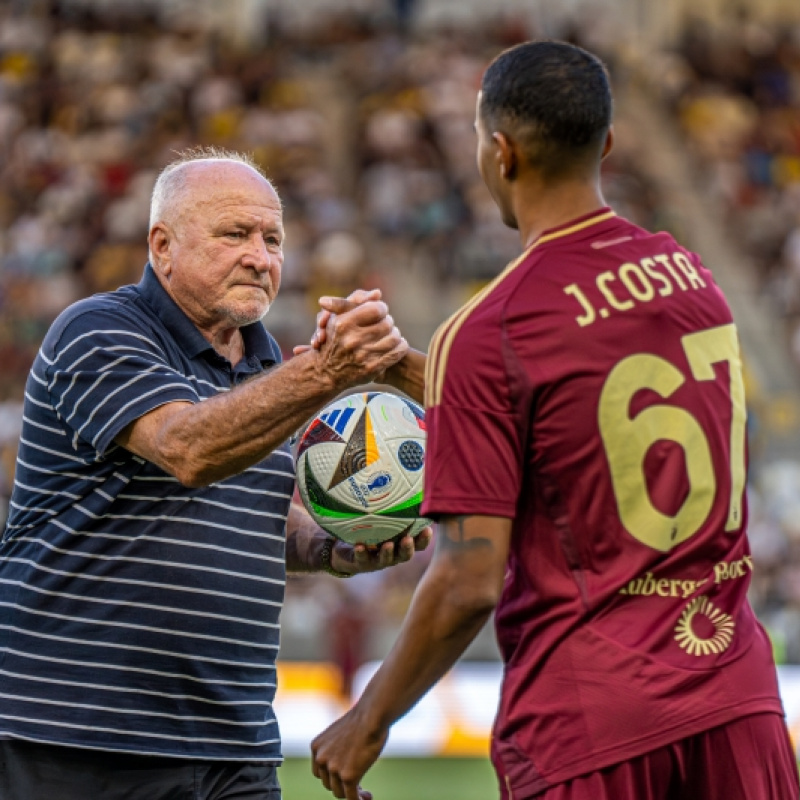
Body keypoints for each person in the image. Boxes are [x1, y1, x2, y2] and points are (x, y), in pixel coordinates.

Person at [309, 40, 800, 800]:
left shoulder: (492, 328)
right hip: (737, 700)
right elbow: (572, 410)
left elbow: (468, 579)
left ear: (499, 153)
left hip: (593, 723)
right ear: (606, 143)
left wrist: (368, 720)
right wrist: (413, 367)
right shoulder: (693, 280)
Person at [0, 147, 430, 800]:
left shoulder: (264, 372)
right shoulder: (97, 330)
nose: (261, 256)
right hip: (79, 737)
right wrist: (327, 370)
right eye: (236, 234)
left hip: (235, 742)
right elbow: (188, 448)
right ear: (162, 245)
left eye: (273, 238)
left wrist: (335, 547)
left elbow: (257, 518)